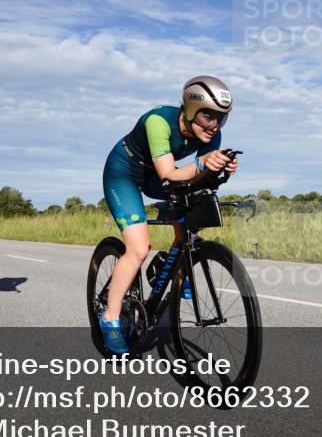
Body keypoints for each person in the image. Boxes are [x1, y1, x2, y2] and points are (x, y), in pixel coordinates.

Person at [100, 76, 238, 353]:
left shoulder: (213, 135)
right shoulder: (158, 121)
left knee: (191, 218)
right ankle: (110, 318)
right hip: (124, 173)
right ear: (190, 109)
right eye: (208, 116)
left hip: (156, 176)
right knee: (139, 249)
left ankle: (172, 264)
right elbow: (169, 173)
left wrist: (219, 169)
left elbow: (197, 179)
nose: (214, 125)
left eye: (221, 118)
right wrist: (203, 163)